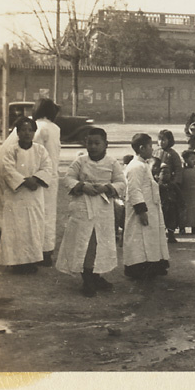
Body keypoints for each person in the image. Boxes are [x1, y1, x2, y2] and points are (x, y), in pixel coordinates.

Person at [56, 127, 126, 297]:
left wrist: (107, 187)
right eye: (90, 143)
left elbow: (121, 183)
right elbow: (68, 178)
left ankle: (96, 275)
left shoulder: (112, 163)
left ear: (105, 145)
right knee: (84, 241)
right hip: (83, 206)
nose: (93, 147)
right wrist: (82, 186)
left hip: (103, 208)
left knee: (100, 242)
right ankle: (86, 278)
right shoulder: (81, 161)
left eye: (97, 143)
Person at [0, 117, 53, 274]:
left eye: (30, 130)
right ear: (17, 132)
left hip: (34, 196)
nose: (27, 133)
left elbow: (47, 167)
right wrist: (23, 181)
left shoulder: (40, 150)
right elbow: (7, 169)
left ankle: (30, 261)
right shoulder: (11, 150)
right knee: (16, 228)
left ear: (34, 132)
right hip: (16, 196)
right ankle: (15, 262)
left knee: (32, 228)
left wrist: (35, 179)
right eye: (23, 130)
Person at [123, 134, 169, 280]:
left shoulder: (144, 165)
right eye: (150, 146)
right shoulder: (135, 167)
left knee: (150, 239)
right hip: (141, 210)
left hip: (151, 208)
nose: (152, 148)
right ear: (141, 148)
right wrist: (141, 211)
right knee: (138, 239)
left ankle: (154, 265)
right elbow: (133, 189)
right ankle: (137, 268)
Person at [32, 98, 61, 267]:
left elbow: (34, 154)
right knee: (50, 214)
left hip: (39, 175)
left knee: (36, 213)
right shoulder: (55, 128)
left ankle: (36, 251)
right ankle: (47, 251)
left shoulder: (37, 127)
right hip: (53, 176)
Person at [155, 163, 184, 244]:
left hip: (172, 207)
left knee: (172, 221)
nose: (166, 175)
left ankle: (171, 236)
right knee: (161, 221)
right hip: (162, 207)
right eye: (164, 173)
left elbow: (179, 194)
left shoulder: (173, 185)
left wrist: (181, 203)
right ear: (158, 175)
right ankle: (161, 237)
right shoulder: (157, 186)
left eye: (168, 173)